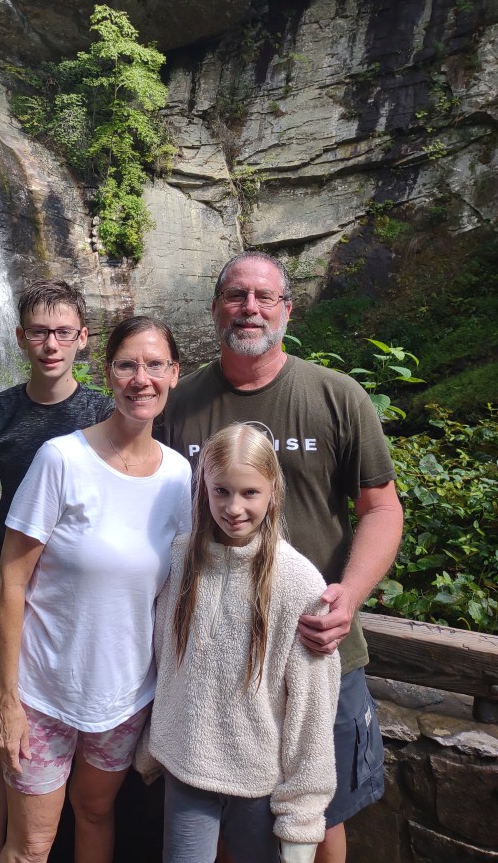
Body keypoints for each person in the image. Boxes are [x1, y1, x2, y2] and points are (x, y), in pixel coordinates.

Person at [158, 251, 403, 863]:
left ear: (287, 309)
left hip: (319, 643)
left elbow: (381, 509)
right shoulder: (178, 405)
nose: (250, 308)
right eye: (236, 295)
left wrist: (347, 598)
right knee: (217, 807)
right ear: (215, 308)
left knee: (320, 815)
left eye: (265, 296)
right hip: (216, 664)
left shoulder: (336, 397)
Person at [0, 316, 192, 863]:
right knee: (30, 847)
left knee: (97, 812)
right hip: (42, 692)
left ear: (174, 374)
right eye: (127, 365)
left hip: (123, 697)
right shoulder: (61, 459)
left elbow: (180, 588)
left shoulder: (179, 478)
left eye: (155, 365)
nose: (141, 379)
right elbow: (12, 579)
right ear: (108, 373)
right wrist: (7, 700)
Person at [0, 279, 112, 863]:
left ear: (83, 338)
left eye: (63, 333)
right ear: (21, 337)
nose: (51, 344)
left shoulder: (102, 411)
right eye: (40, 332)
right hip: (6, 589)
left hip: (75, 597)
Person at [139, 422, 341, 863]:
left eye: (250, 493)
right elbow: (162, 659)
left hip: (259, 780)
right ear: (203, 489)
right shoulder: (177, 559)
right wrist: (155, 739)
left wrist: (302, 816)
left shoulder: (298, 582)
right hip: (186, 764)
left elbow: (311, 707)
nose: (234, 508)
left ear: (273, 491)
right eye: (221, 491)